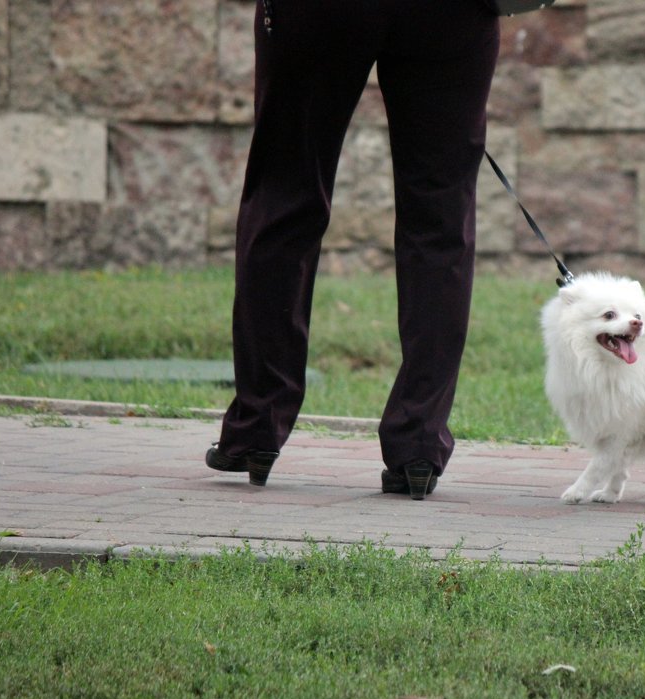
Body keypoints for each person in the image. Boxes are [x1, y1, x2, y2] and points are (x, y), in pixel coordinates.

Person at [205, 0, 501, 500]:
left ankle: (257, 427)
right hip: (450, 15)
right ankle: (419, 444)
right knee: (440, 217)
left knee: (285, 196)